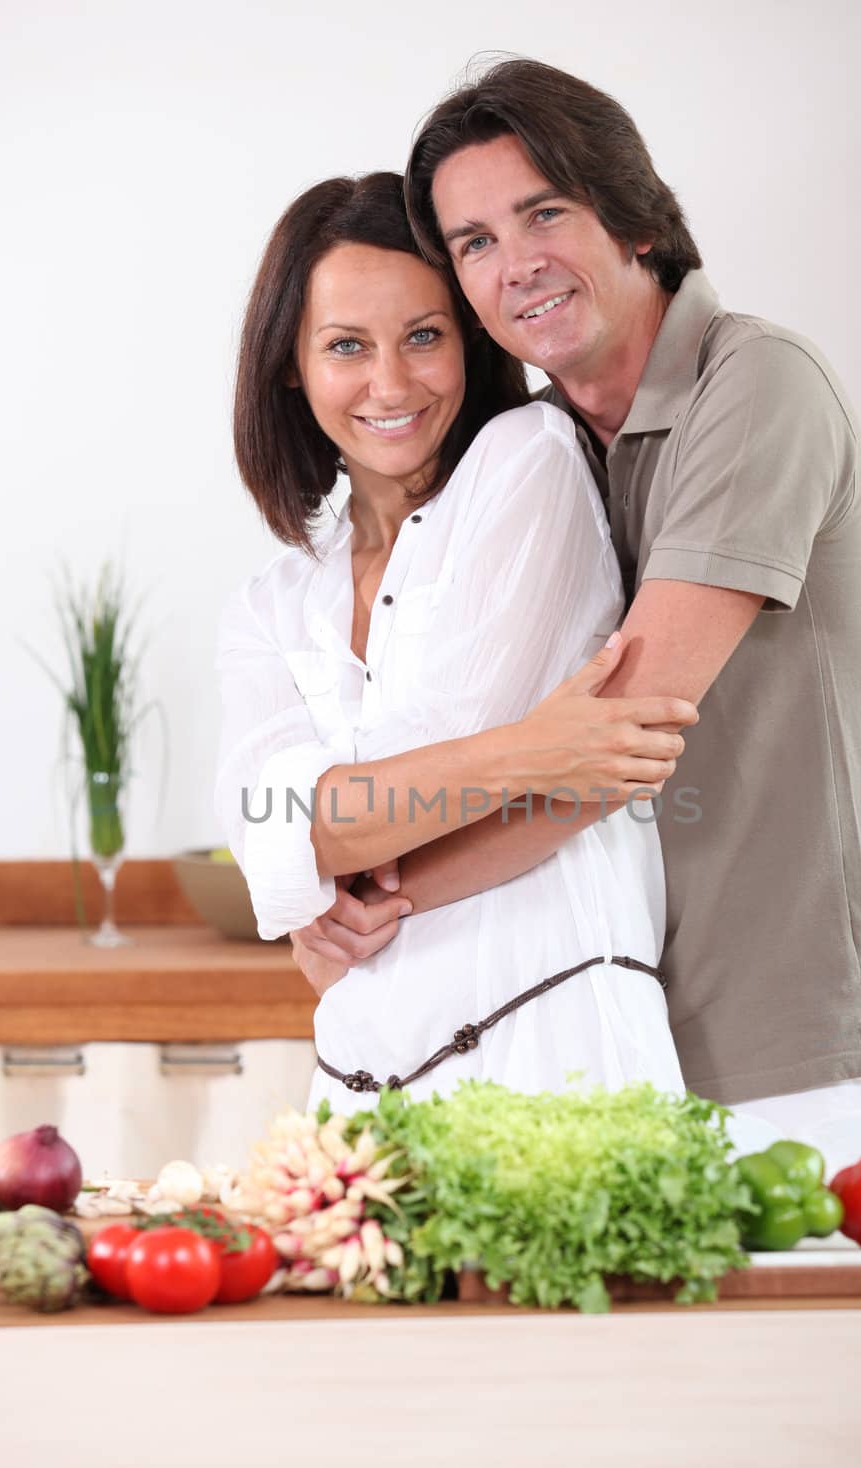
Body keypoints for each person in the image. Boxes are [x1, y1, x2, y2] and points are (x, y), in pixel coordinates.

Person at [292, 60, 861, 1139]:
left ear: (631, 217)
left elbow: (606, 754)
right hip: (620, 1029)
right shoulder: (545, 450)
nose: (515, 265)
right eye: (474, 243)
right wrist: (330, 897)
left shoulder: (756, 386)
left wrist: (364, 901)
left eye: (541, 212)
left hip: (800, 1042)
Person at [214, 171, 693, 1115]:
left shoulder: (529, 462)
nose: (390, 384)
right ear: (290, 365)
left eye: (423, 337)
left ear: (471, 344)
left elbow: (407, 775)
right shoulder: (269, 604)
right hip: (364, 1074)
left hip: (556, 1048)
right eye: (346, 345)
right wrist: (528, 751)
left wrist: (323, 861)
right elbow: (267, 831)